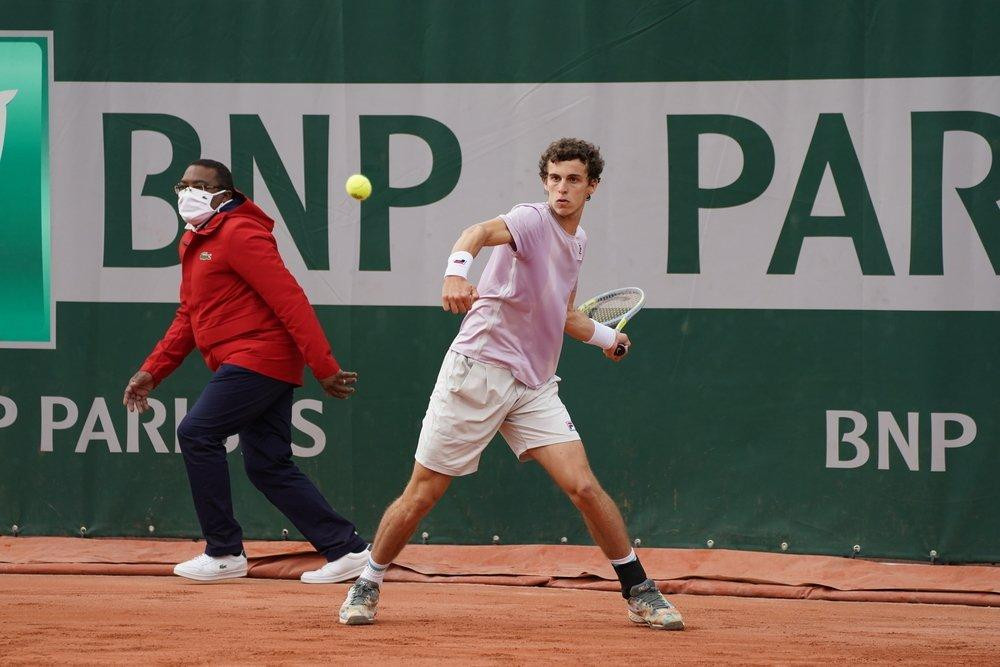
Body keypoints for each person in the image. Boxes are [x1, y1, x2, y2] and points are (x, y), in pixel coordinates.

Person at [339, 139, 684, 630]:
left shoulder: (578, 242)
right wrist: (456, 272)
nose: (561, 189)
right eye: (554, 178)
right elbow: (476, 232)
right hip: (477, 372)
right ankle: (368, 580)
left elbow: (563, 314)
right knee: (422, 494)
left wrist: (608, 337)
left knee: (584, 486)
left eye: (573, 180)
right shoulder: (529, 220)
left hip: (534, 384)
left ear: (592, 187)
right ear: (544, 182)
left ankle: (640, 590)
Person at [123, 159, 369, 584]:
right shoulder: (196, 241)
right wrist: (152, 371)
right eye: (183, 184)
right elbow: (189, 315)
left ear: (225, 193)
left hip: (259, 358)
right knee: (267, 464)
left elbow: (289, 299)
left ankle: (223, 551)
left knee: (197, 432)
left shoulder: (240, 233)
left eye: (200, 185)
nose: (188, 192)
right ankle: (347, 549)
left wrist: (323, 366)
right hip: (250, 361)